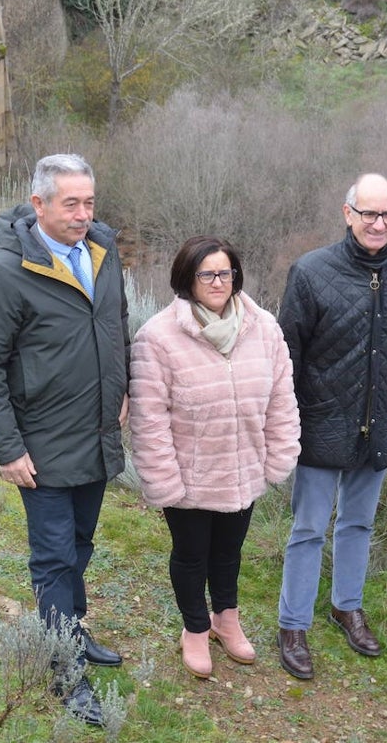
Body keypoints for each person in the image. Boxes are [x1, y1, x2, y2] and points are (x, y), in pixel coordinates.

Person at [0, 153, 129, 725]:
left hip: (97, 437)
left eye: (89, 202)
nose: (83, 215)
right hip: (41, 445)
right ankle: (63, 669)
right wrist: (8, 449)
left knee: (80, 547)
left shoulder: (103, 255)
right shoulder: (5, 273)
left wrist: (123, 389)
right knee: (55, 559)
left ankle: (73, 637)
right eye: (70, 204)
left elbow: (116, 328)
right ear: (38, 205)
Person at [276, 173, 387, 680]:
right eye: (369, 213)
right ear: (348, 214)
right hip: (321, 423)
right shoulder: (311, 272)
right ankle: (293, 623)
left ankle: (347, 606)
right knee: (308, 528)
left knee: (359, 524)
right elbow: (288, 356)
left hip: (381, 424)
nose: (379, 223)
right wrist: (287, 421)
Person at [129, 236, 300, 679]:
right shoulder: (157, 337)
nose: (218, 281)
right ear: (187, 278)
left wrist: (278, 455)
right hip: (189, 475)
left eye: (225, 272)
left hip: (244, 467)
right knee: (191, 554)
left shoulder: (263, 327)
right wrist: (164, 480)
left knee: (228, 552)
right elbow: (149, 420)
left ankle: (227, 619)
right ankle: (196, 629)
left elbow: (282, 397)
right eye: (207, 273)